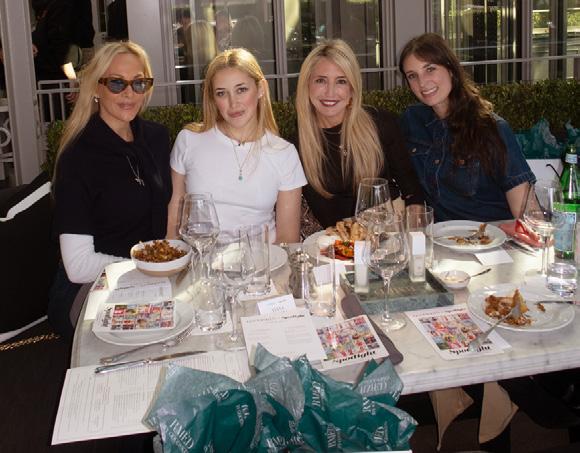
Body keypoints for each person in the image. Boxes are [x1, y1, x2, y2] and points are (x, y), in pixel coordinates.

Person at [49, 41, 172, 339]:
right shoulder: (78, 157)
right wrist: (149, 268)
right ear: (96, 87)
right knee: (151, 337)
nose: (129, 93)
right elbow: (78, 266)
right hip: (91, 287)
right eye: (117, 83)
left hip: (152, 281)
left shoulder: (156, 138)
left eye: (138, 83)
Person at [167, 48, 306, 243]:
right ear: (213, 98)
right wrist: (173, 257)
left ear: (260, 89)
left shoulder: (284, 153)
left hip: (262, 259)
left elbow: (287, 239)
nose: (233, 103)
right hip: (201, 258)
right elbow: (175, 213)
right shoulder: (189, 140)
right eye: (221, 93)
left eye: (241, 90)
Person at [398, 33, 535, 222]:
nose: (422, 83)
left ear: (451, 69)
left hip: (490, 235)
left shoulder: (491, 129)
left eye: (430, 69)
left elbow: (526, 212)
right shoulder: (412, 121)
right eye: (412, 76)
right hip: (437, 238)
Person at [293, 39, 424, 228]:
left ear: (352, 89)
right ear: (307, 86)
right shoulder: (296, 146)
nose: (330, 92)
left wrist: (413, 232)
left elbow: (412, 192)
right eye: (321, 80)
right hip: (333, 242)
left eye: (341, 81)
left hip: (388, 235)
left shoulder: (381, 124)